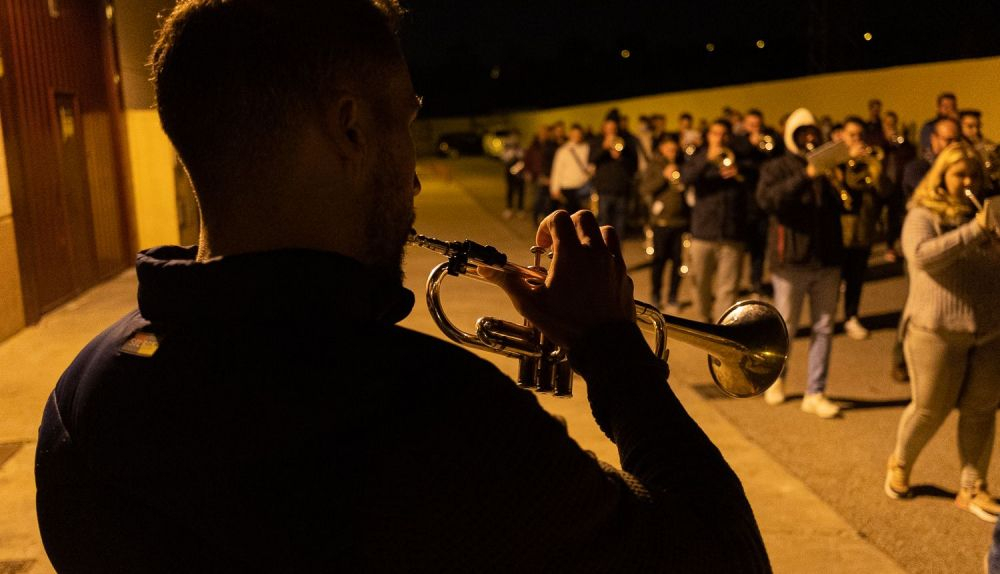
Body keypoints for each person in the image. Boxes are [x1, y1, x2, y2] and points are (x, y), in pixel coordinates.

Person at [33, 1, 770, 572]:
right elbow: (721, 556)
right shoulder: (442, 419)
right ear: (351, 128)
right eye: (406, 126)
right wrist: (611, 349)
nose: (414, 180)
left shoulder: (80, 401)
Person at [884, 143, 1000, 523]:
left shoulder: (985, 213)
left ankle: (973, 487)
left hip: (989, 328)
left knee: (982, 409)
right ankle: (900, 462)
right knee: (930, 409)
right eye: (959, 174)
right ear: (941, 177)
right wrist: (973, 231)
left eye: (974, 176)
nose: (968, 182)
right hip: (936, 330)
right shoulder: (923, 214)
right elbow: (921, 256)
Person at [756, 108, 844, 419]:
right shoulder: (776, 167)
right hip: (790, 261)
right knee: (787, 327)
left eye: (812, 132)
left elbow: (847, 205)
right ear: (791, 137)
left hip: (827, 259)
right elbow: (768, 201)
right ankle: (776, 379)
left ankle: (815, 392)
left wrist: (838, 179)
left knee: (824, 328)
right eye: (802, 133)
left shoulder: (829, 169)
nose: (809, 138)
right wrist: (805, 177)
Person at [680, 118, 750, 324]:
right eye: (715, 133)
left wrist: (740, 172)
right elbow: (685, 178)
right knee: (700, 283)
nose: (719, 138)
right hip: (703, 232)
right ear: (708, 136)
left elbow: (753, 182)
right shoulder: (698, 158)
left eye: (723, 134)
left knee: (728, 287)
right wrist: (707, 160)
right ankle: (703, 319)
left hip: (731, 233)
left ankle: (720, 328)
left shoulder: (738, 158)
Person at [832, 116, 893, 340]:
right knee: (832, 280)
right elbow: (840, 186)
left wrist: (876, 169)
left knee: (856, 278)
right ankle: (827, 319)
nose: (857, 139)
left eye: (860, 135)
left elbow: (885, 191)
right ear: (842, 136)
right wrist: (849, 160)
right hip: (839, 230)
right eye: (852, 135)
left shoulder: (871, 161)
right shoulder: (835, 162)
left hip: (864, 229)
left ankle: (851, 317)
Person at [639, 135, 689, 311]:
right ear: (661, 149)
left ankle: (673, 297)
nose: (673, 153)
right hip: (661, 222)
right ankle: (656, 296)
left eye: (675, 149)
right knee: (659, 261)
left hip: (680, 222)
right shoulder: (654, 165)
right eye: (669, 149)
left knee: (678, 262)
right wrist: (663, 176)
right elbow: (645, 189)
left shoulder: (683, 163)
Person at [590, 114, 638, 234]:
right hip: (604, 189)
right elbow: (591, 159)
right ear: (603, 129)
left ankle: (617, 243)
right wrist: (604, 147)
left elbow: (633, 164)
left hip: (621, 189)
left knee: (620, 221)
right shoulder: (597, 141)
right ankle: (603, 243)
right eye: (608, 128)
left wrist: (621, 156)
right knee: (603, 220)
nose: (611, 131)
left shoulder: (626, 142)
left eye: (613, 129)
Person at [548, 123, 592, 215]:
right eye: (574, 134)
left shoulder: (586, 148)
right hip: (567, 187)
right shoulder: (562, 150)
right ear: (570, 135)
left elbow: (589, 165)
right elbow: (557, 170)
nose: (577, 136)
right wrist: (554, 188)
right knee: (571, 214)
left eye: (578, 134)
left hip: (582, 186)